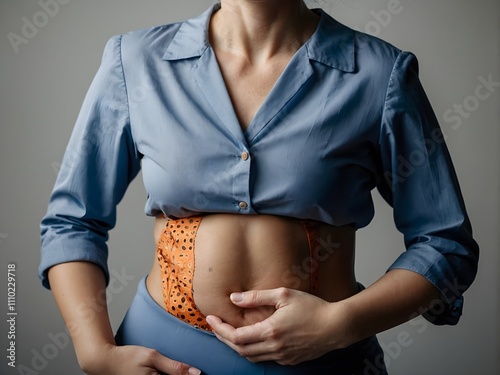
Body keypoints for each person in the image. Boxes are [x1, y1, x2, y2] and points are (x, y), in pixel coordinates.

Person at [39, 1, 479, 374]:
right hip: (164, 358)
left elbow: (445, 245)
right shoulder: (134, 61)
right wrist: (94, 351)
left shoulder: (380, 74)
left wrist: (340, 323)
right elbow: (71, 222)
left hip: (330, 363)